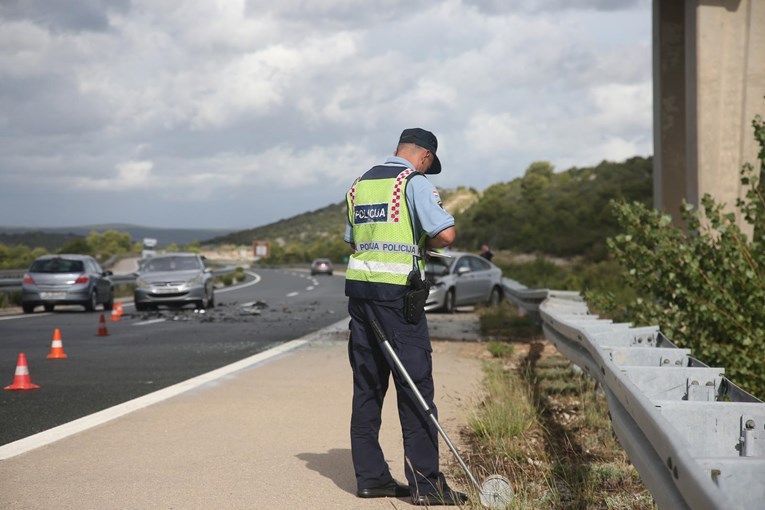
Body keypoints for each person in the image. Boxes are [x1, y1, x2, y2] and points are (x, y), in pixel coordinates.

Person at [343, 128, 467, 506]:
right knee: (416, 388)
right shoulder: (413, 183)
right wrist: (423, 241)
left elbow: (353, 239)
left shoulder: (359, 184)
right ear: (425, 157)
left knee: (368, 388)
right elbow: (446, 234)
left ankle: (371, 479)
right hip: (397, 299)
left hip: (360, 296)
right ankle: (426, 487)